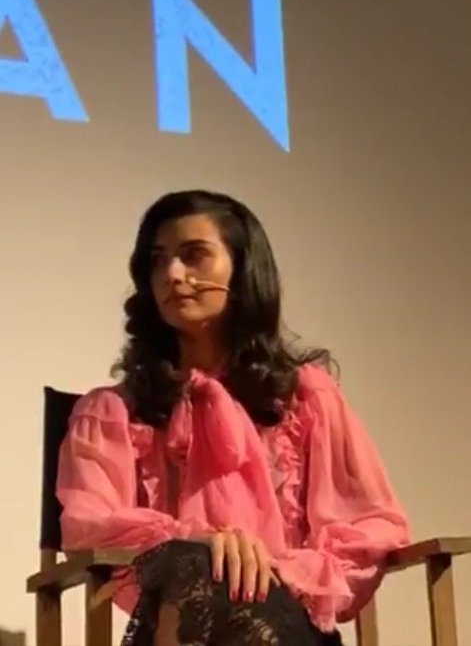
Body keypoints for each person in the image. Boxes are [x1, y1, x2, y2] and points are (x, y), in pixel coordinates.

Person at [56, 190, 410, 645]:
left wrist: (272, 569)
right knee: (191, 564)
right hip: (179, 620)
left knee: (225, 584)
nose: (172, 274)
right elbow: (89, 526)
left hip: (289, 622)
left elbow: (371, 526)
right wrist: (202, 544)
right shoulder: (112, 411)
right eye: (158, 260)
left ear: (242, 271)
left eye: (194, 255)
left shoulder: (308, 396)